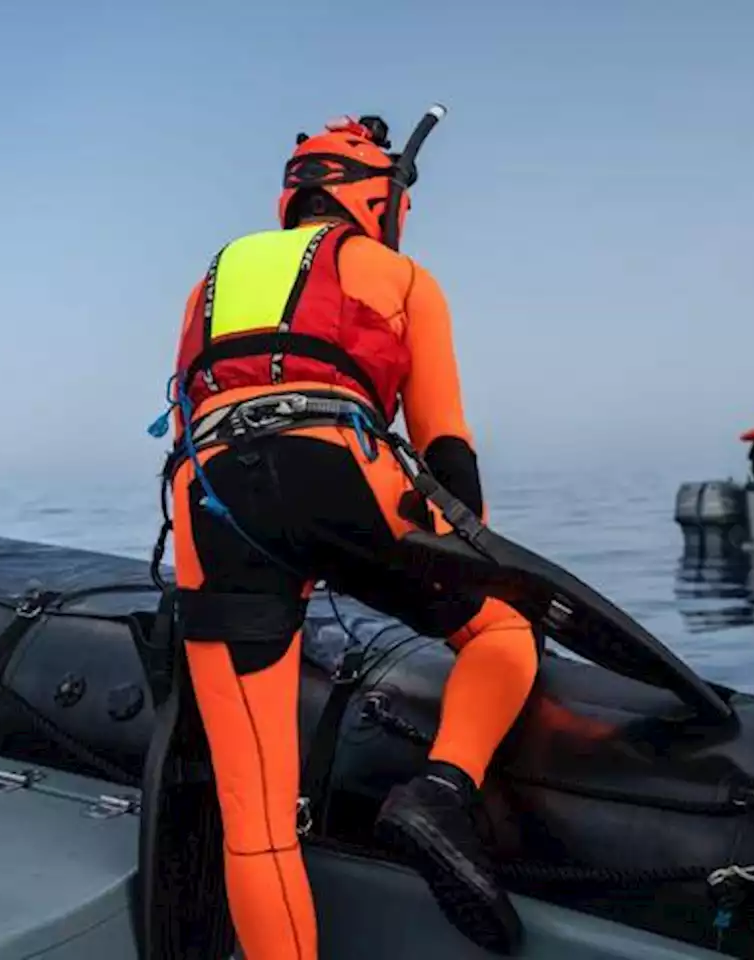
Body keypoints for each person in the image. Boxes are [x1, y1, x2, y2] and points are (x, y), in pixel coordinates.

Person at [160, 114, 532, 958]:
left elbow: (194, 396)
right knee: (503, 631)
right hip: (341, 467)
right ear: (377, 196)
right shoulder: (400, 272)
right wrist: (476, 550)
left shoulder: (208, 279)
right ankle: (440, 792)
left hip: (212, 498)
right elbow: (445, 443)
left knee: (255, 826)